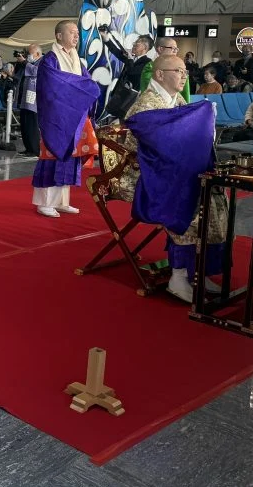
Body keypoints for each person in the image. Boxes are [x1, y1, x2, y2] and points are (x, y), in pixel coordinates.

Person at [124, 55, 228, 302]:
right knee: (187, 198)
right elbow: (154, 145)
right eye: (178, 71)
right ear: (160, 75)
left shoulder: (177, 99)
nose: (184, 76)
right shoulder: (146, 104)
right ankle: (178, 276)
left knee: (213, 194)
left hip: (172, 167)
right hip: (143, 171)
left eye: (185, 72)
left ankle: (198, 270)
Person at [32, 20, 99, 217]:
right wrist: (79, 89)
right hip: (56, 117)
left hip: (74, 116)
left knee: (70, 156)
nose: (76, 36)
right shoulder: (49, 60)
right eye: (72, 32)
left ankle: (62, 201)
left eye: (77, 33)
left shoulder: (77, 59)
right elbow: (54, 85)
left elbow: (84, 82)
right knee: (53, 156)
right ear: (59, 36)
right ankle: (44, 203)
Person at [140, 36, 191, 101]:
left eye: (176, 49)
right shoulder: (150, 66)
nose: (175, 52)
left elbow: (185, 92)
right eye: (173, 48)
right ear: (161, 49)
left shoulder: (179, 65)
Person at [18, 43, 41, 156]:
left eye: (30, 54)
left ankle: (35, 149)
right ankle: (28, 147)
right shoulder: (30, 62)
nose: (28, 56)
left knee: (32, 124)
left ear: (37, 53)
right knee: (24, 123)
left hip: (34, 100)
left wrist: (24, 62)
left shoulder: (42, 61)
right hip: (26, 97)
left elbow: (36, 72)